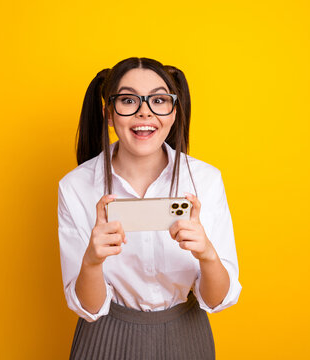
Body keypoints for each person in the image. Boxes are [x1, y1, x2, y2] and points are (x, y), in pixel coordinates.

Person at [57, 57, 241, 360]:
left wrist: (207, 254)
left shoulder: (205, 180)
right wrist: (91, 262)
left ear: (173, 112)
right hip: (103, 338)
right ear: (109, 115)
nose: (145, 111)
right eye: (129, 100)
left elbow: (218, 299)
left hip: (187, 337)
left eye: (158, 100)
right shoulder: (75, 187)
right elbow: (88, 309)